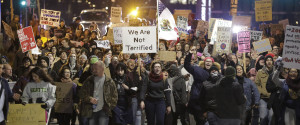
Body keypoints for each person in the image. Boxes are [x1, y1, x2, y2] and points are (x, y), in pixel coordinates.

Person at [79, 58, 118, 125]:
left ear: (102, 69)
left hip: (104, 111)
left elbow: (114, 97)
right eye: (93, 69)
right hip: (91, 111)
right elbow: (82, 94)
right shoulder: (89, 80)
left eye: (96, 69)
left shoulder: (110, 82)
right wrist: (89, 99)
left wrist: (109, 107)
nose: (93, 70)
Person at [184, 46, 209, 125]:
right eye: (206, 61)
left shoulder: (216, 73)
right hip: (197, 102)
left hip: (209, 103)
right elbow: (187, 65)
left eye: (210, 61)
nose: (208, 63)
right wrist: (189, 55)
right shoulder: (198, 70)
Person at [255, 55, 275, 125]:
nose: (269, 62)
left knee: (271, 117)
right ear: (265, 62)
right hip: (263, 98)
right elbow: (256, 84)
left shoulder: (276, 72)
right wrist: (262, 92)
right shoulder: (260, 72)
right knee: (263, 118)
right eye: (267, 60)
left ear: (272, 61)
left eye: (270, 60)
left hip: (273, 99)